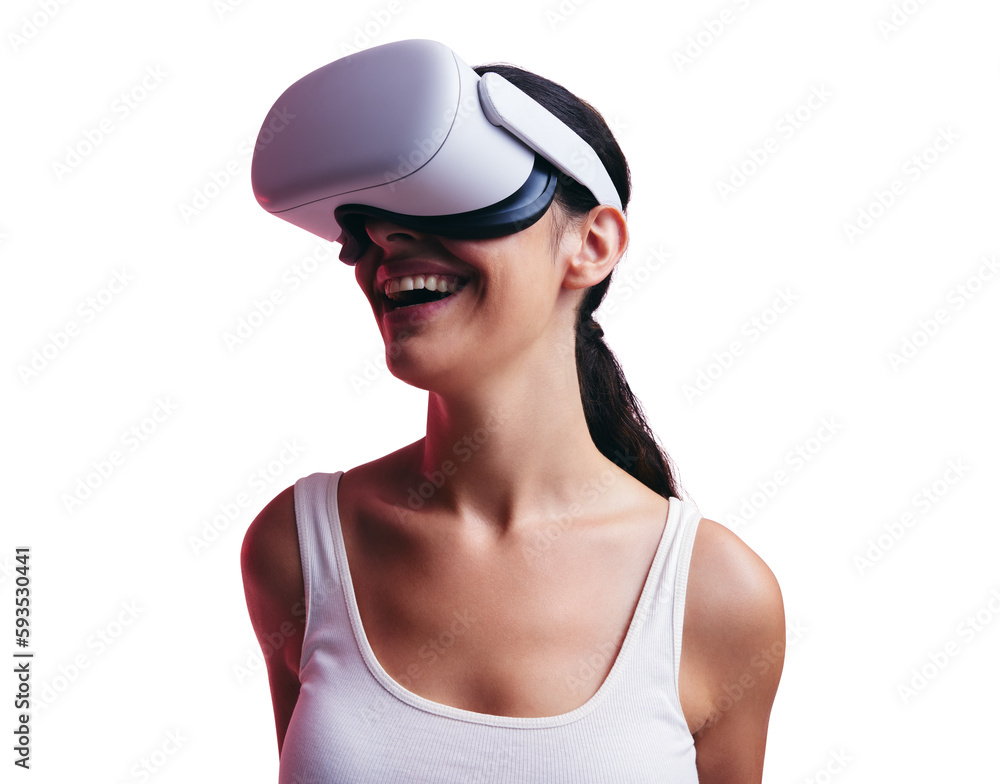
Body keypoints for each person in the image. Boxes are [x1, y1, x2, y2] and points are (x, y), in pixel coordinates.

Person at [241, 39, 784, 783]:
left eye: (449, 199)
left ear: (592, 245)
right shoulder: (298, 549)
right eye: (363, 220)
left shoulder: (717, 595)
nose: (383, 239)